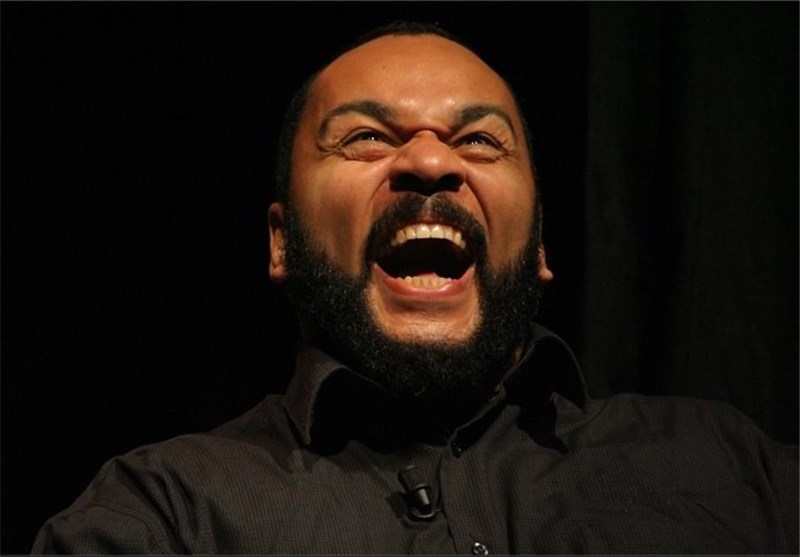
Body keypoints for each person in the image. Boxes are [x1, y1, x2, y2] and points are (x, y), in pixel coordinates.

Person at [32, 21, 797, 554]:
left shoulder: (735, 470)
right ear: (281, 242)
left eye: (479, 140)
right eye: (367, 136)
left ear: (538, 245)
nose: (431, 163)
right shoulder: (163, 514)